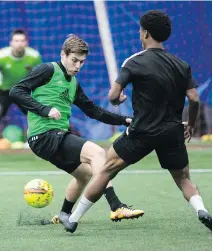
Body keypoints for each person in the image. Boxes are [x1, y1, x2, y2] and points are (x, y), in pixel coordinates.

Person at [64, 10, 212, 233]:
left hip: (141, 131)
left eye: (140, 31)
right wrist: (190, 124)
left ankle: (73, 219)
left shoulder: (134, 61)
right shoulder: (181, 64)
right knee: (183, 178)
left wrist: (117, 100)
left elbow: (113, 95)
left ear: (145, 33)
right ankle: (202, 211)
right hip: (172, 131)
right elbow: (193, 98)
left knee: (105, 170)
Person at [9, 34, 144, 225]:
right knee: (97, 153)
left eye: (82, 62)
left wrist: (125, 120)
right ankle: (116, 207)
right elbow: (16, 91)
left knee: (85, 174)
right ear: (63, 54)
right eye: (74, 60)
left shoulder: (73, 83)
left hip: (53, 137)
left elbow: (92, 111)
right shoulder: (47, 70)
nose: (78, 66)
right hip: (44, 135)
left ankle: (64, 214)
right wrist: (44, 110)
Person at [0, 29, 42, 129]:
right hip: (4, 91)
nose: (20, 44)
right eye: (16, 41)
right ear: (11, 43)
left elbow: (39, 76)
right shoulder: (2, 56)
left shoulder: (34, 56)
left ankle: (38, 139)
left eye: (22, 41)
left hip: (23, 91)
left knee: (36, 115)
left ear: (26, 42)